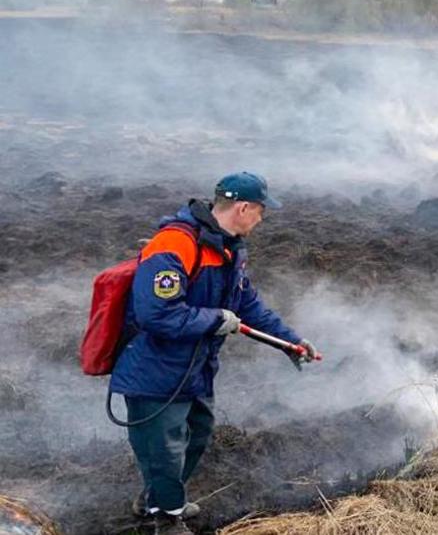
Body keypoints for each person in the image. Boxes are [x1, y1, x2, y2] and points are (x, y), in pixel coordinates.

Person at [110, 172, 318, 534]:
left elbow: (248, 304)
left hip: (193, 370)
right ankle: (167, 519)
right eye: (261, 211)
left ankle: (156, 499)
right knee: (164, 450)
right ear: (243, 208)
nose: (262, 219)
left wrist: (290, 342)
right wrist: (214, 319)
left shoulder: (228, 249)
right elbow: (155, 314)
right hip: (155, 372)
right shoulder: (174, 246)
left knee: (199, 432)